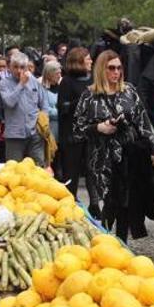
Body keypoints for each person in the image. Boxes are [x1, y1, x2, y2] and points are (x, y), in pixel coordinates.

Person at [73, 50, 154, 238]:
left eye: (119, 68)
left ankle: (121, 244)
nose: (116, 72)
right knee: (110, 203)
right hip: (101, 157)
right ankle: (102, 241)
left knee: (126, 204)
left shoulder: (129, 92)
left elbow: (143, 121)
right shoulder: (89, 96)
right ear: (102, 69)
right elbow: (76, 130)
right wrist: (98, 128)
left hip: (128, 155)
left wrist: (153, 149)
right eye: (111, 68)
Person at [0, 51, 50, 165]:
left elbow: (44, 102)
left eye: (22, 67)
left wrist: (43, 118)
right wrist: (21, 84)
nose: (19, 71)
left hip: (34, 134)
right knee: (14, 170)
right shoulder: (4, 83)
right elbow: (9, 102)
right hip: (15, 135)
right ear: (9, 67)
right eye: (15, 67)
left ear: (27, 67)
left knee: (38, 168)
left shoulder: (34, 81)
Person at [57, 47, 93, 198]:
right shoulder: (66, 81)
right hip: (71, 136)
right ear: (79, 61)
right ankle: (69, 205)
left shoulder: (93, 79)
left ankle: (95, 207)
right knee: (71, 175)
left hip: (91, 133)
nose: (91, 61)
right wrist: (85, 96)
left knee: (93, 173)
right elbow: (63, 108)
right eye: (88, 58)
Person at [42, 60, 62, 144]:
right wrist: (61, 111)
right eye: (57, 73)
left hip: (62, 128)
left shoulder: (63, 88)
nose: (59, 76)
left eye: (60, 73)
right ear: (49, 74)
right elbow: (46, 110)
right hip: (51, 128)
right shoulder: (42, 90)